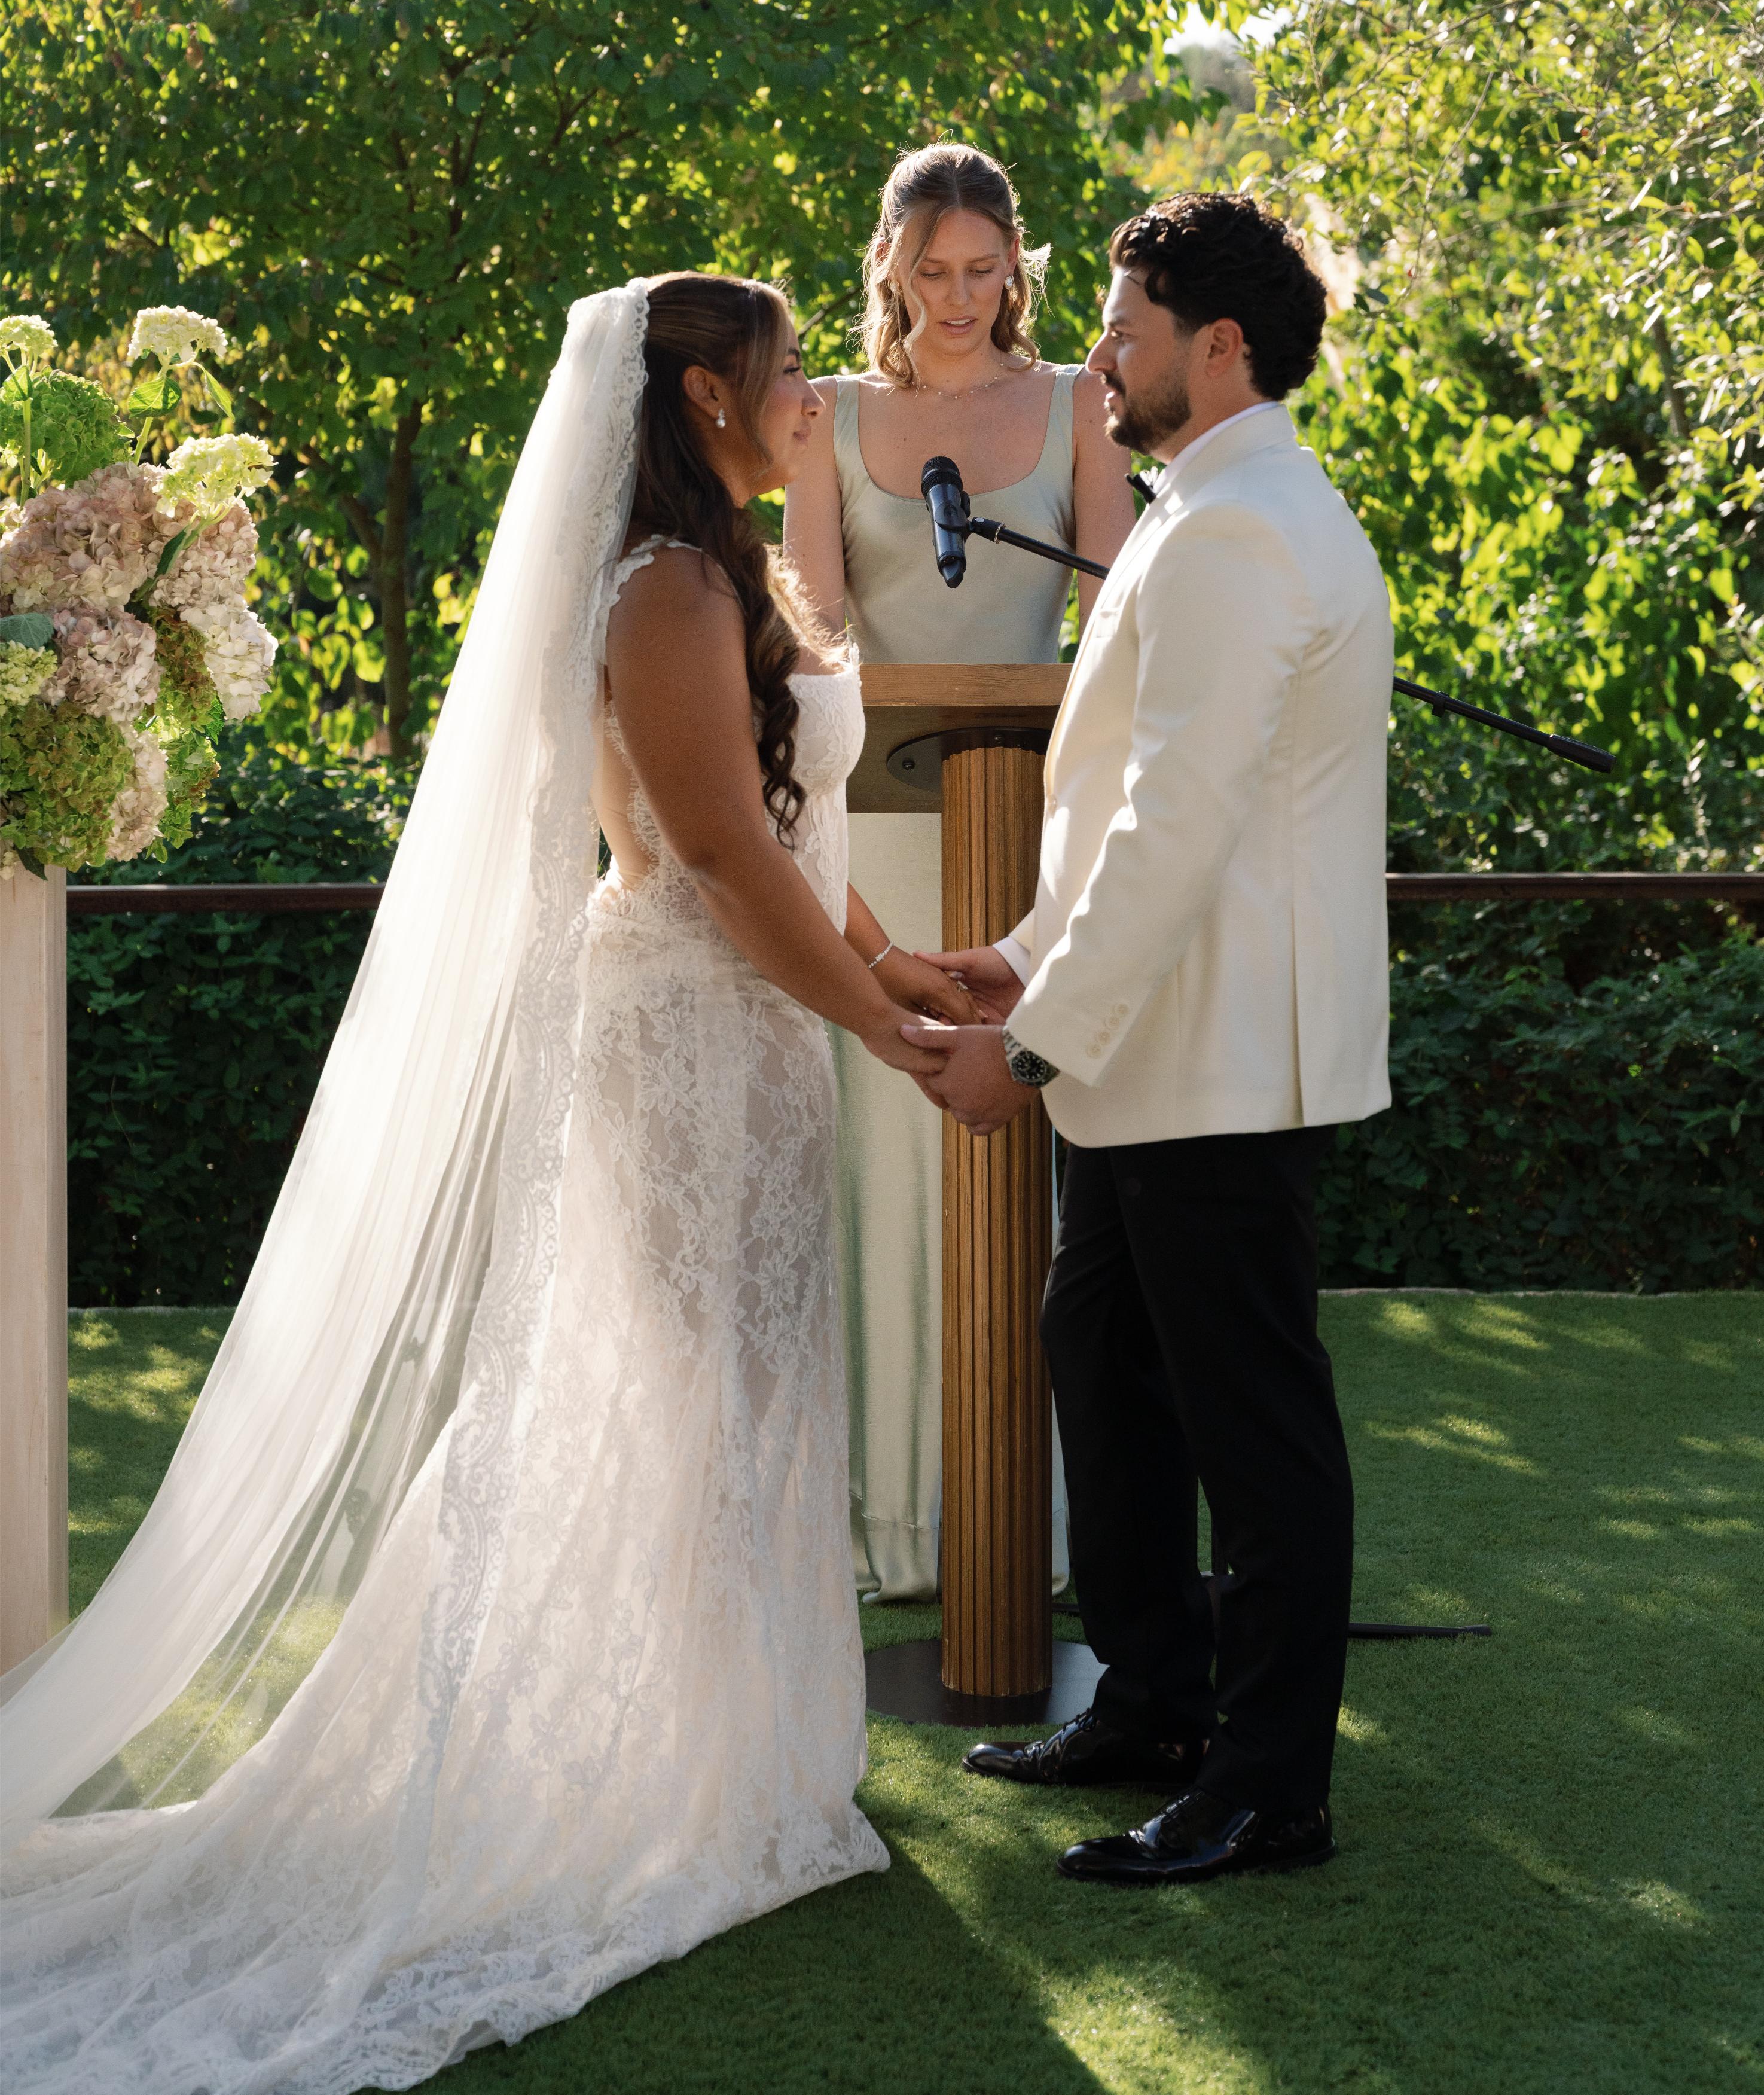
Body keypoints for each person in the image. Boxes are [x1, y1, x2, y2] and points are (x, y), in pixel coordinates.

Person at [0, 275, 971, 2093]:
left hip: (749, 1031)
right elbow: (707, 859)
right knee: (692, 1400)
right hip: (686, 1036)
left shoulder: (724, 580)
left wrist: (900, 973)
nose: (803, 405)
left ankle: (741, 1756)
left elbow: (780, 835)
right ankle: (679, 1778)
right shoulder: (664, 592)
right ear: (695, 398)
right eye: (777, 382)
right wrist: (893, 1036)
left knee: (738, 1394)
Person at [908, 193, 1393, 1886]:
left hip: (1213, 1055)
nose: (1098, 352)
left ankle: (1267, 1787)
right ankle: (1153, 1700)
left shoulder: (1244, 530)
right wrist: (1015, 958)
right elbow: (1130, 804)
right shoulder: (1211, 510)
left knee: (1250, 1430)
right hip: (1140, 1041)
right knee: (1101, 1374)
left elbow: (1177, 829)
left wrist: (1026, 1045)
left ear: (1218, 344)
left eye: (1123, 327)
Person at [786, 141, 1135, 1597]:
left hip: (1031, 843)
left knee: (1018, 1172)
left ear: (1016, 269)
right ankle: (888, 1524)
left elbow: (1122, 621)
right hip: (875, 836)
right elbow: (803, 638)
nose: (954, 297)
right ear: (888, 266)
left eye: (981, 271)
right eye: (929, 272)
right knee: (885, 1167)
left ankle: (1013, 1524)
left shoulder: (1078, 408)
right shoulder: (823, 418)